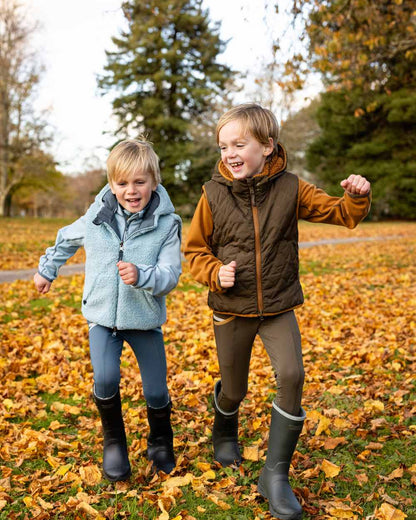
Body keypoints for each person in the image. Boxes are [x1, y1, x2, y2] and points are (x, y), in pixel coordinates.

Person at [184, 103, 371, 519]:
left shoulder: (291, 188)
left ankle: (275, 474)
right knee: (234, 388)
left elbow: (339, 212)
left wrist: (356, 197)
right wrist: (216, 273)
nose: (230, 153)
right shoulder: (212, 194)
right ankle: (225, 427)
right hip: (232, 309)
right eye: (223, 145)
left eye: (239, 144)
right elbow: (194, 250)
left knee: (292, 375)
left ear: (267, 146)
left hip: (279, 305)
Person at [34, 138, 182, 481]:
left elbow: (170, 274)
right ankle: (114, 441)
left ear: (154, 182)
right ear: (112, 184)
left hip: (144, 321)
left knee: (156, 390)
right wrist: (47, 269)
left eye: (140, 182)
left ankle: (160, 440)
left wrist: (142, 275)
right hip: (102, 318)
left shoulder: (167, 225)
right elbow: (67, 238)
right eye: (122, 183)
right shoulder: (96, 217)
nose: (131, 190)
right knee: (105, 378)